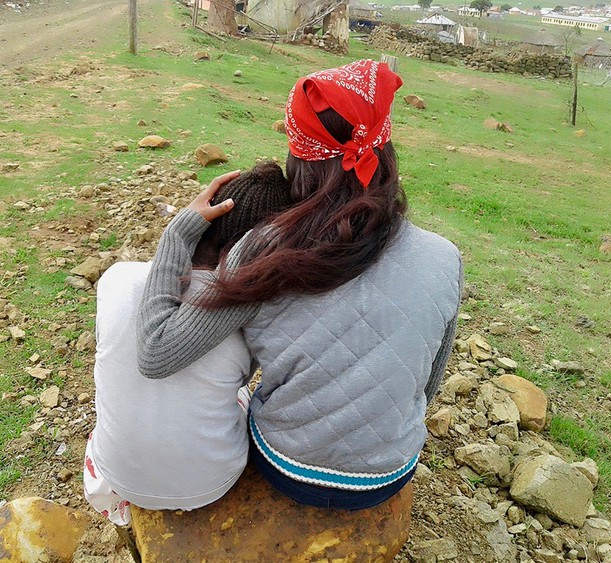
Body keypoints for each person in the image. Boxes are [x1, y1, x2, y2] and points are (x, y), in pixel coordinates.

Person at [136, 59, 463, 511]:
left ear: (300, 157)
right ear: (384, 149)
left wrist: (179, 231)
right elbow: (428, 384)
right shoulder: (444, 257)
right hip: (391, 474)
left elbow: (157, 353)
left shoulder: (265, 248)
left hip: (290, 470)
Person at [84, 162, 293, 526]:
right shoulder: (251, 311)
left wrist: (179, 233)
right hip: (212, 482)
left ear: (202, 221)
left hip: (121, 476)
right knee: (238, 394)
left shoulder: (117, 279)